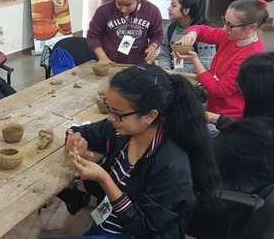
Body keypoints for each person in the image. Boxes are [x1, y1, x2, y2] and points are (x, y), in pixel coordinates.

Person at [65, 65, 219, 238]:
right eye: (108, 108)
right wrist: (75, 139)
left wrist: (104, 179)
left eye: (117, 113)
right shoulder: (121, 130)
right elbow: (80, 131)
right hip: (109, 221)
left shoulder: (171, 164)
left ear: (150, 116)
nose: (110, 118)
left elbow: (147, 228)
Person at [190, 52, 274, 239]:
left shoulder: (240, 142)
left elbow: (199, 159)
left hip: (224, 215)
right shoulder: (262, 131)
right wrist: (218, 119)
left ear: (256, 94)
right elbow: (254, 129)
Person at [174, 0, 273, 119]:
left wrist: (195, 60)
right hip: (213, 107)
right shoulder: (230, 35)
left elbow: (219, 89)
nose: (225, 28)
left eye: (230, 25)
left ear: (251, 28)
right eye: (225, 21)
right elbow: (202, 30)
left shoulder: (251, 56)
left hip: (230, 118)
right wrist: (192, 34)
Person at [87, 0, 163, 65]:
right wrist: (102, 57)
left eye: (128, 5)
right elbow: (93, 36)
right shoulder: (104, 10)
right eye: (119, 4)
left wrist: (153, 46)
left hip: (138, 64)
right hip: (110, 63)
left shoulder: (152, 11)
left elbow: (157, 35)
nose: (123, 9)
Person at [157, 0, 216, 73]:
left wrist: (178, 72)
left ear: (186, 10)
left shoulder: (205, 33)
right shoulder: (171, 28)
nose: (169, 8)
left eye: (173, 6)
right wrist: (166, 70)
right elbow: (164, 53)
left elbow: (207, 65)